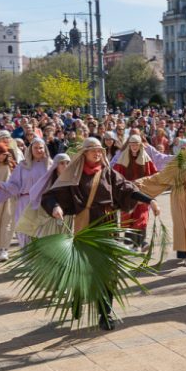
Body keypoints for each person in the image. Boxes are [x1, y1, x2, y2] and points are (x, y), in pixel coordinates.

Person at [42, 138, 158, 330]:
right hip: (86, 226)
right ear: (84, 153)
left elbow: (127, 189)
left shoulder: (108, 173)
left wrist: (149, 200)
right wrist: (55, 207)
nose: (98, 153)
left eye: (100, 150)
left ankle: (105, 314)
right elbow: (51, 195)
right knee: (83, 268)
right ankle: (78, 298)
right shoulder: (74, 175)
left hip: (109, 226)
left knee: (108, 272)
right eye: (94, 150)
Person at [136, 138, 186, 265]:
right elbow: (159, 178)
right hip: (177, 195)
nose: (185, 151)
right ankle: (184, 253)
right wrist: (141, 183)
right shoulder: (175, 163)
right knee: (180, 223)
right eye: (183, 149)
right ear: (179, 150)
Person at [0, 137, 55, 249]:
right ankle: (27, 258)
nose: (38, 150)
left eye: (41, 148)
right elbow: (15, 185)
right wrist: (2, 186)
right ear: (30, 149)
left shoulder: (51, 165)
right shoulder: (23, 166)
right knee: (25, 232)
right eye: (35, 148)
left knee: (42, 231)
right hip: (25, 203)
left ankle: (41, 260)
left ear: (45, 149)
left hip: (44, 203)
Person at [112, 135, 158, 249]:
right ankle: (131, 244)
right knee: (128, 217)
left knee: (141, 217)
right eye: (132, 144)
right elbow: (117, 176)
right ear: (129, 145)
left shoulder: (146, 158)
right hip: (128, 193)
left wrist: (144, 183)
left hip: (142, 193)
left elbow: (154, 174)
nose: (134, 146)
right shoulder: (123, 158)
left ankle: (141, 243)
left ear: (140, 145)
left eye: (136, 144)